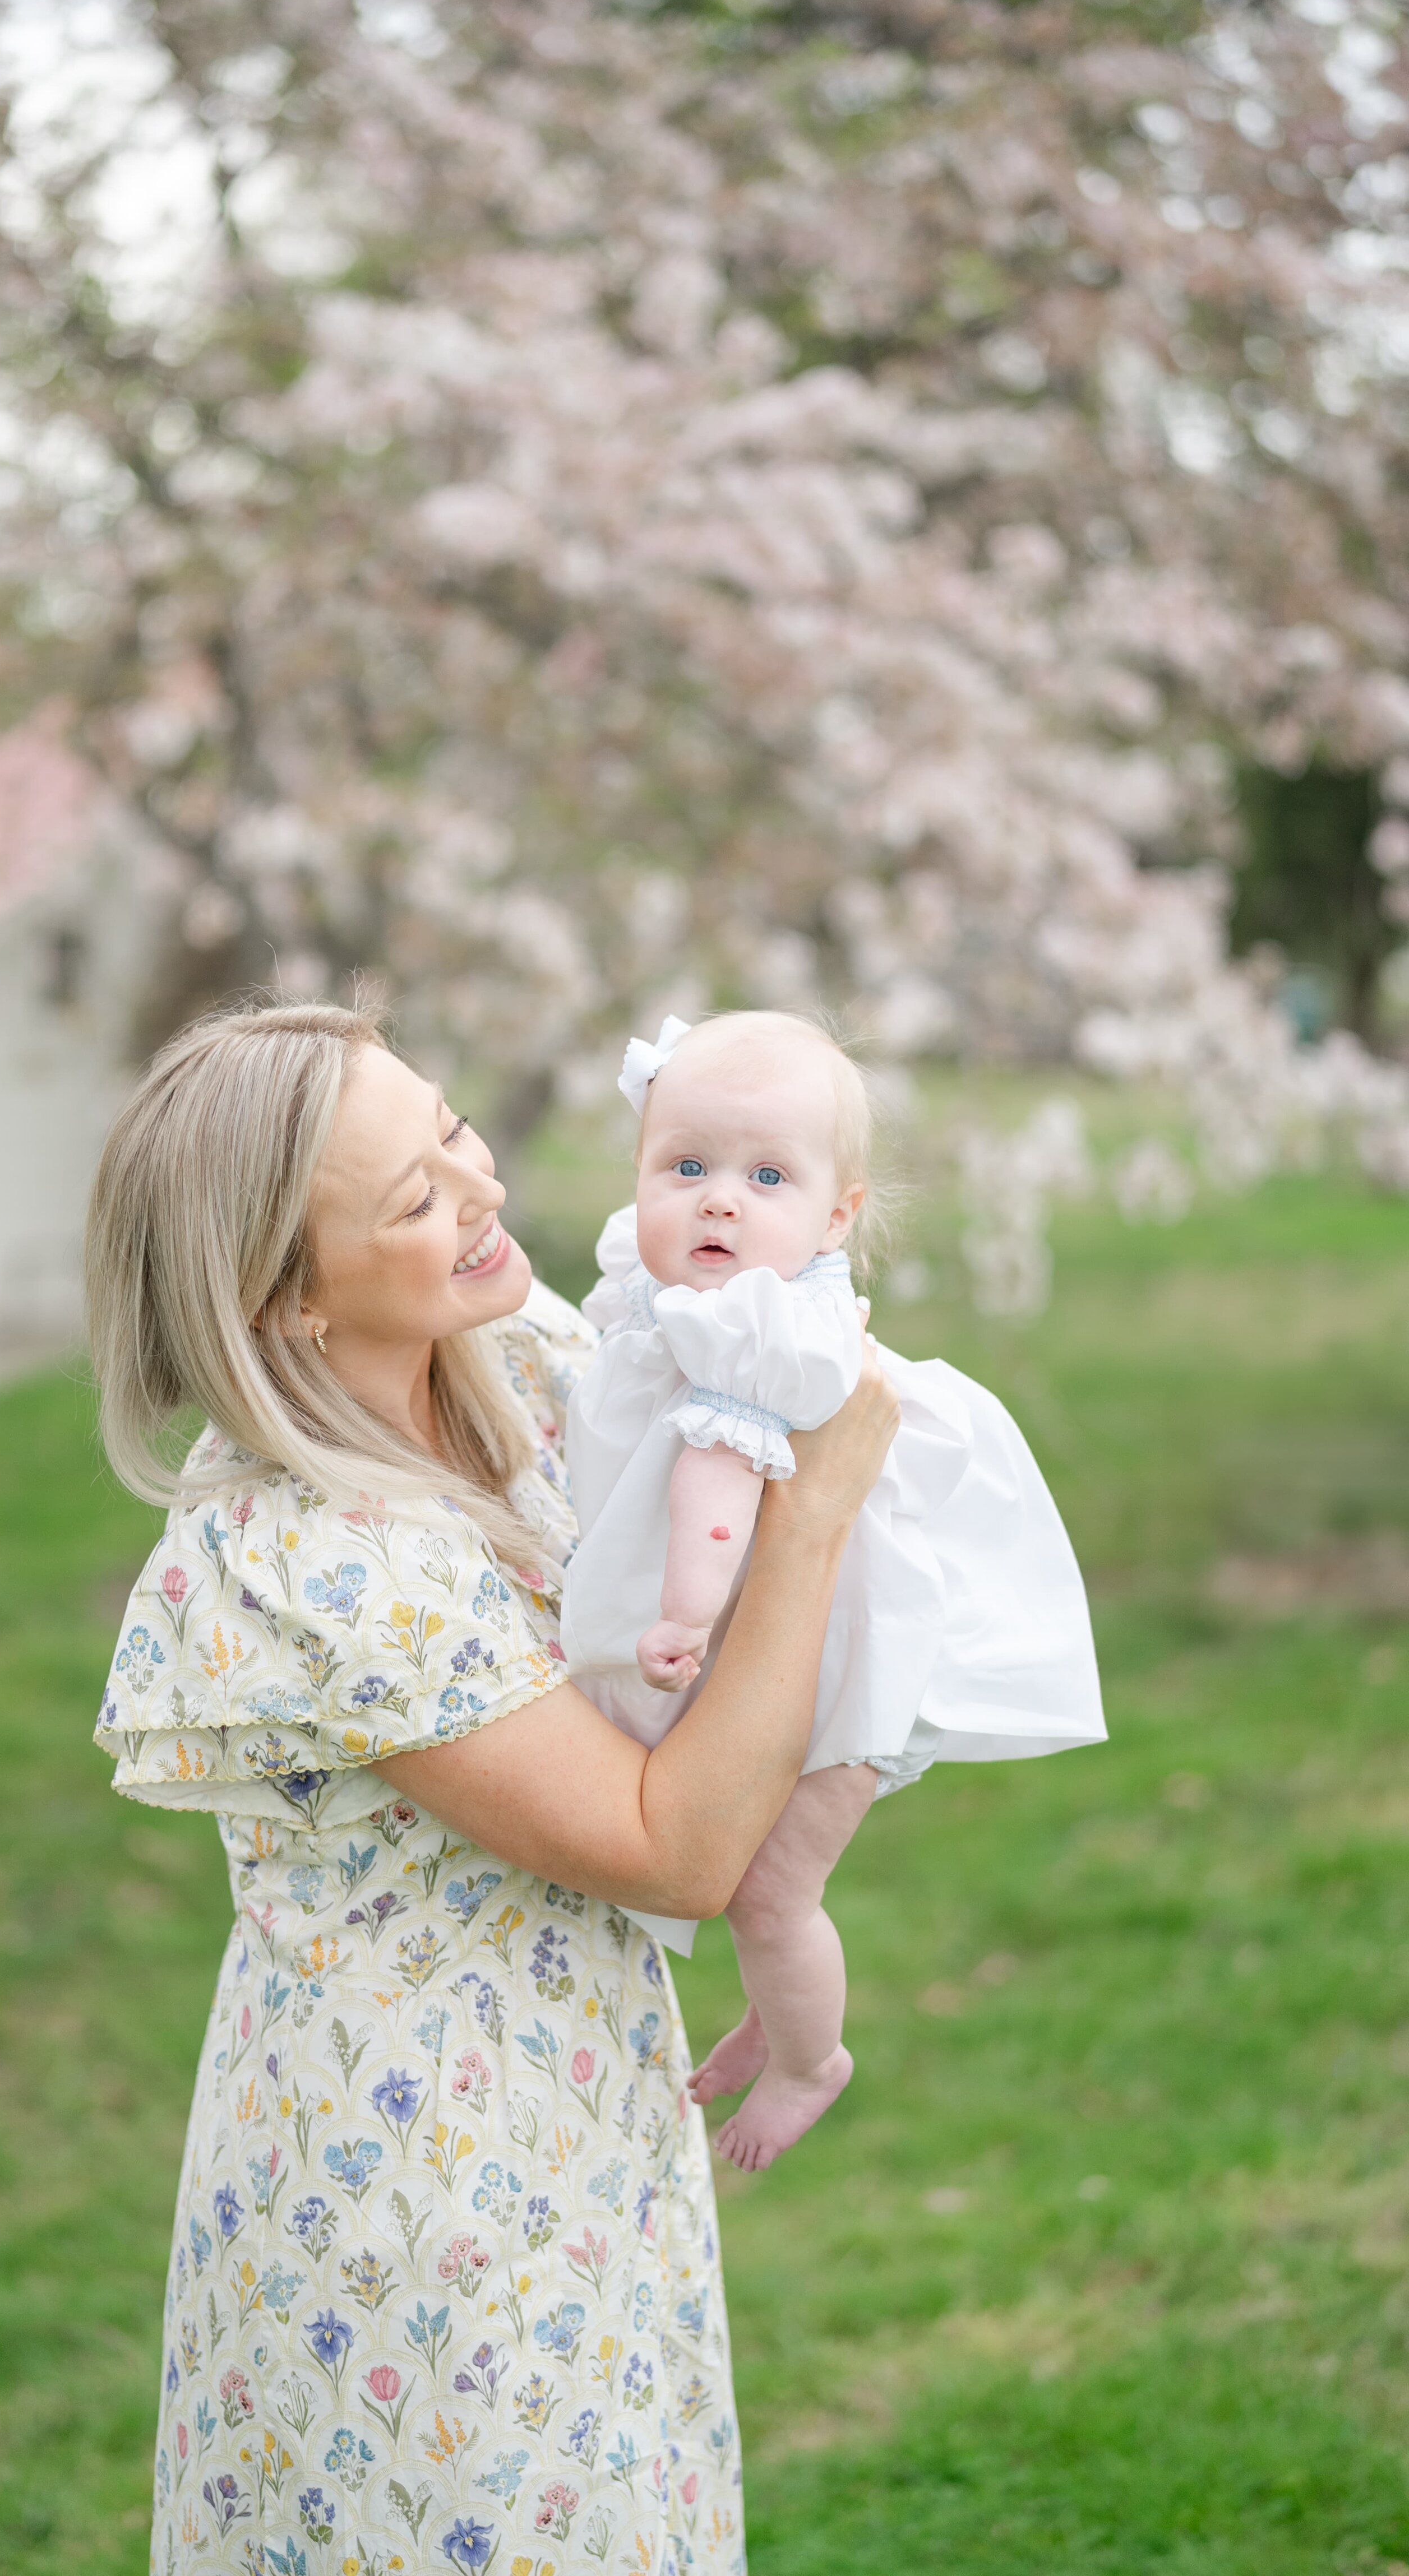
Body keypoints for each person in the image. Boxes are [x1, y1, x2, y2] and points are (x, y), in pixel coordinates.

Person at [85, 999, 899, 2576]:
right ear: (289, 1301)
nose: (485, 1192)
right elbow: (672, 1851)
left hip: (585, 2098)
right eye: (415, 1199)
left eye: (454, 1131)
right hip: (418, 2184)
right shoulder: (311, 1555)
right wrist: (813, 1515)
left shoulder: (520, 1354)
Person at [561, 1011, 1104, 2176]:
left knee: (768, 1894)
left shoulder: (762, 1338)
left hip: (850, 1665)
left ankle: (813, 2062)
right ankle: (780, 2002)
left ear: (835, 1216)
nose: (718, 1201)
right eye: (685, 1167)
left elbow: (715, 1487)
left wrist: (686, 1617)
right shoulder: (670, 1298)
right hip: (799, 1657)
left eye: (766, 1177)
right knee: (765, 1898)